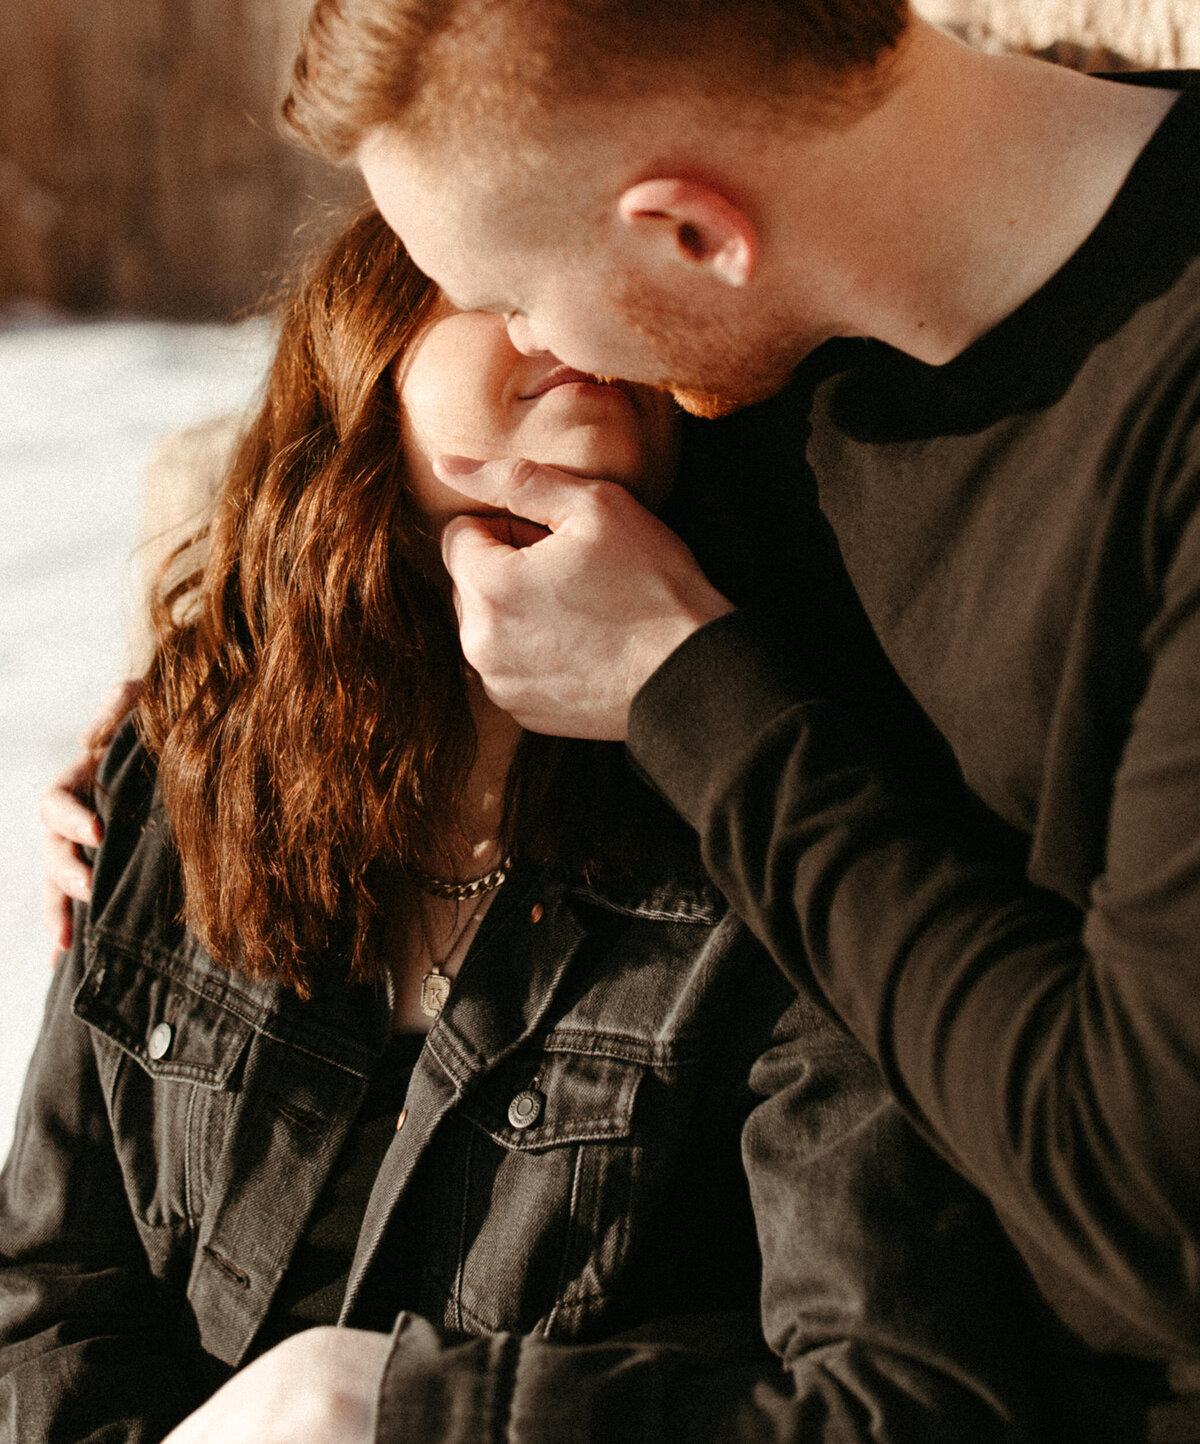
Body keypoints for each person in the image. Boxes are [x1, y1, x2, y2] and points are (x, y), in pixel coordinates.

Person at [268, 0, 1200, 1436]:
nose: (525, 341)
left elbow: (1156, 1228)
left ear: (693, 236)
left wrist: (682, 692)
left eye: (512, 294)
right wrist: (213, 698)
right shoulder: (767, 349)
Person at [2, 208, 1072, 1444]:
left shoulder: (772, 835)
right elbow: (47, 1294)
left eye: (623, 295)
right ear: (364, 358)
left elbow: (901, 1404)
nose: (580, 319)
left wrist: (382, 1415)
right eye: (498, 277)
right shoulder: (183, 762)